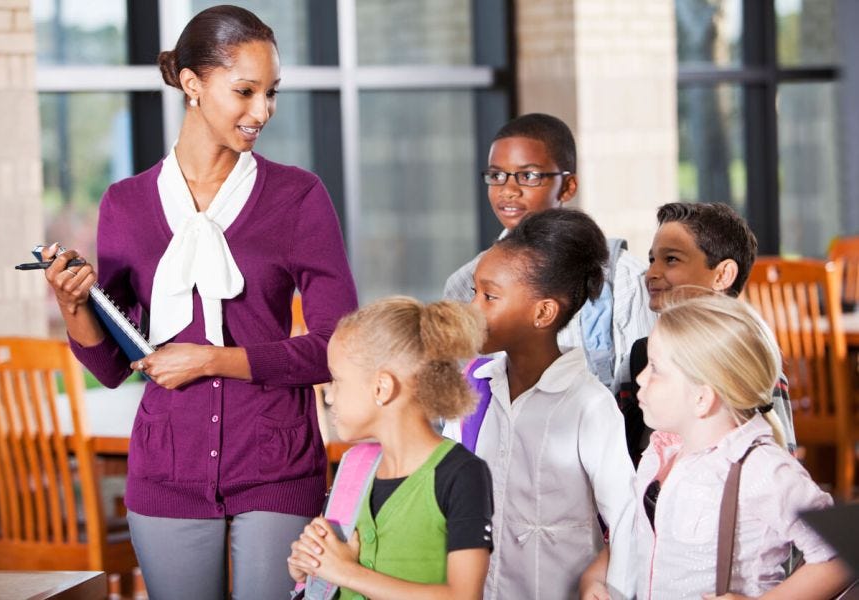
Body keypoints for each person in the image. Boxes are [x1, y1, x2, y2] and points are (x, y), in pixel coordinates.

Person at [41, 6, 358, 599]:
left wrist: (214, 359)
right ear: (192, 84)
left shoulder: (297, 197)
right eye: (245, 91)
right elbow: (115, 367)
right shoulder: (125, 204)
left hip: (277, 463)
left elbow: (340, 347)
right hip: (167, 467)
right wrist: (72, 304)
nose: (261, 111)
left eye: (270, 94)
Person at [580, 293, 849, 599]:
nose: (640, 378)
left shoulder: (761, 470)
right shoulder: (659, 454)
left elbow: (840, 553)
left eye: (654, 368)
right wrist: (595, 577)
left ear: (702, 398)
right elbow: (640, 534)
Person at [443, 209, 637, 599]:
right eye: (474, 293)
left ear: (543, 312)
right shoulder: (472, 387)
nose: (473, 309)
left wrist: (607, 586)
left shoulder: (588, 405)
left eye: (490, 297)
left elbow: (627, 518)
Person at [287, 297, 494, 599]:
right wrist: (308, 569)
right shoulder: (353, 465)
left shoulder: (462, 474)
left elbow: (463, 596)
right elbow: (331, 571)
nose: (330, 397)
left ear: (382, 387)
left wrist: (345, 572)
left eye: (337, 381)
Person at [443, 113, 654, 397]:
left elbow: (648, 387)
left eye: (528, 176)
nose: (508, 190)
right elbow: (458, 397)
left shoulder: (624, 278)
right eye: (496, 175)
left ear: (567, 186)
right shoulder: (464, 283)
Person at [624, 202, 796, 465]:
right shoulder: (641, 354)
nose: (652, 273)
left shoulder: (745, 361)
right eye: (651, 260)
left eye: (671, 259)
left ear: (723, 275)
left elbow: (778, 461)